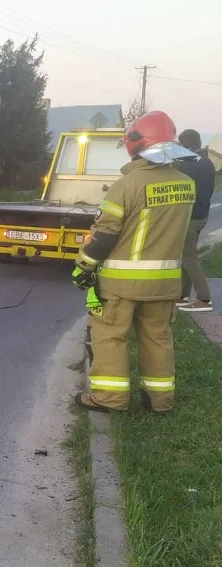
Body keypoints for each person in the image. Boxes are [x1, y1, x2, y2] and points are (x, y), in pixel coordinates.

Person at [72, 110, 197, 414]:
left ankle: (110, 399)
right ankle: (160, 401)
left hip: (122, 284)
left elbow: (103, 237)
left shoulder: (127, 185)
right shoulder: (185, 184)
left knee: (110, 337)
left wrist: (83, 267)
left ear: (136, 144)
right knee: (157, 339)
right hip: (165, 284)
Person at [174, 129, 216, 312]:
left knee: (190, 258)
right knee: (187, 255)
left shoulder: (188, 164)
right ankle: (183, 295)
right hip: (203, 215)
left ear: (185, 145)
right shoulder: (207, 162)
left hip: (191, 216)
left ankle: (204, 299)